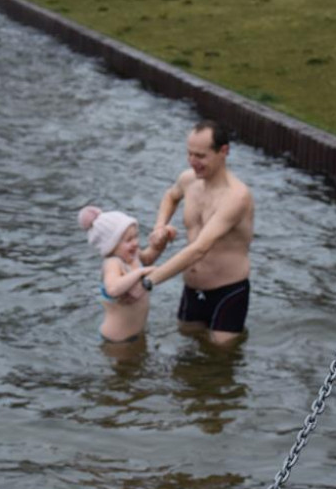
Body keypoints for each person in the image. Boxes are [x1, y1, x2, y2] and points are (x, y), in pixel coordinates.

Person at [138, 120, 254, 346]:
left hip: (227, 291)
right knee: (186, 346)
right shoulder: (188, 180)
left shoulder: (236, 197)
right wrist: (159, 226)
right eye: (189, 154)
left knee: (221, 356)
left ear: (224, 151)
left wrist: (148, 282)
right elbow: (171, 196)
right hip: (192, 288)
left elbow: (200, 248)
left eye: (200, 156)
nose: (193, 162)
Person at [79, 205, 175, 343]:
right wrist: (141, 272)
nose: (135, 243)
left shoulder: (133, 256)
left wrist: (162, 242)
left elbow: (148, 258)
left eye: (136, 236)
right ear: (110, 246)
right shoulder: (113, 263)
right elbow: (112, 288)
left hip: (137, 334)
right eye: (129, 240)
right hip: (118, 341)